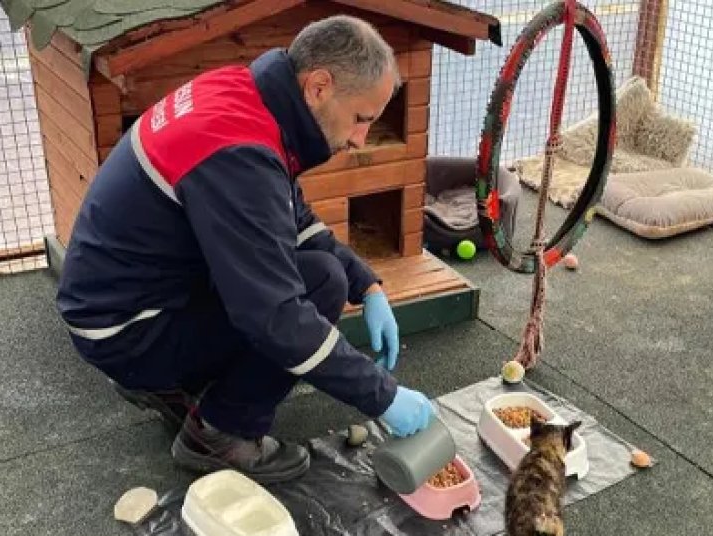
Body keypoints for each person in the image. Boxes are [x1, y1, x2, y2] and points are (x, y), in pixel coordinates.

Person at [54, 15, 436, 484]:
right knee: (316, 286)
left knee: (320, 272)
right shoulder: (239, 153)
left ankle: (174, 388)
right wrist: (383, 397)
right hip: (128, 331)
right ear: (318, 86)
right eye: (361, 119)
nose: (360, 139)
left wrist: (369, 286)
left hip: (123, 302)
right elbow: (275, 317)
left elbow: (293, 222)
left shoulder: (242, 95)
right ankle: (217, 435)